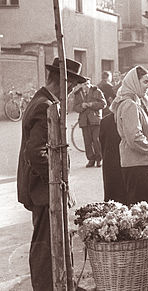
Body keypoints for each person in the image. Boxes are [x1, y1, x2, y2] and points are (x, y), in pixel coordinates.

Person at [17, 57, 86, 291]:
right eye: (72, 86)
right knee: (46, 244)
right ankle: (48, 287)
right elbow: (36, 152)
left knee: (52, 240)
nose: (72, 92)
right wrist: (56, 181)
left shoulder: (43, 100)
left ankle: (61, 284)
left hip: (46, 188)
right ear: (62, 82)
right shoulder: (45, 105)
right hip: (43, 189)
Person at [114, 65, 148, 206]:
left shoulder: (132, 102)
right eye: (145, 82)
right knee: (145, 212)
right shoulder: (130, 105)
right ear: (134, 82)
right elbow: (134, 137)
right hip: (138, 165)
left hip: (137, 164)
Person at [73, 79, 107, 167]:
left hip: (95, 120)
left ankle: (99, 159)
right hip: (84, 121)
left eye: (88, 84)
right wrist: (81, 106)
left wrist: (92, 104)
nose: (86, 86)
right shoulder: (77, 94)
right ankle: (91, 159)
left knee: (96, 140)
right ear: (81, 85)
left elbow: (103, 104)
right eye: (84, 84)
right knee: (87, 142)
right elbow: (75, 108)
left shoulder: (97, 91)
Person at [99, 106, 126, 203]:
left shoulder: (104, 121)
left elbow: (102, 143)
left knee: (112, 194)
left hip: (109, 161)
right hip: (122, 160)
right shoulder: (126, 119)